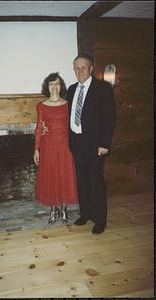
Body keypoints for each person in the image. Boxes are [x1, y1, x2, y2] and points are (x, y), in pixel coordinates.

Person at [67, 53, 116, 234]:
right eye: (76, 68)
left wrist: (104, 144)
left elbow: (109, 118)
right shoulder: (72, 89)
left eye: (83, 67)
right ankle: (85, 213)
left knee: (96, 182)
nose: (79, 71)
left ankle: (100, 219)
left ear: (91, 68)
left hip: (96, 146)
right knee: (82, 181)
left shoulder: (103, 88)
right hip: (77, 144)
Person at [33, 72, 78, 225]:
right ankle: (53, 210)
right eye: (51, 84)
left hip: (66, 146)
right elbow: (39, 128)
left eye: (57, 83)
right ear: (47, 86)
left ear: (61, 86)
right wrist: (36, 149)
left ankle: (64, 209)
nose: (54, 87)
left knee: (65, 176)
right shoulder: (41, 106)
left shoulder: (68, 104)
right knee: (51, 176)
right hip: (48, 146)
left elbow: (74, 124)